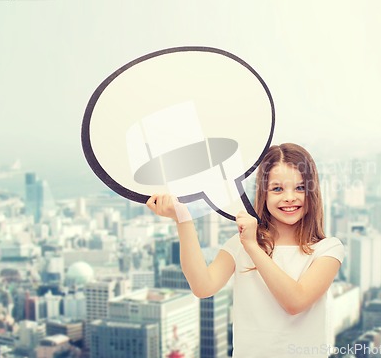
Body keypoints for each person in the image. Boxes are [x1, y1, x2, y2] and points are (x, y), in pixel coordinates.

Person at [147, 143, 344, 357]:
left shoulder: (327, 249)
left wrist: (252, 245)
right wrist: (182, 219)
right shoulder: (239, 242)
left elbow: (295, 302)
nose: (289, 197)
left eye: (300, 188)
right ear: (263, 193)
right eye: (277, 188)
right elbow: (203, 286)